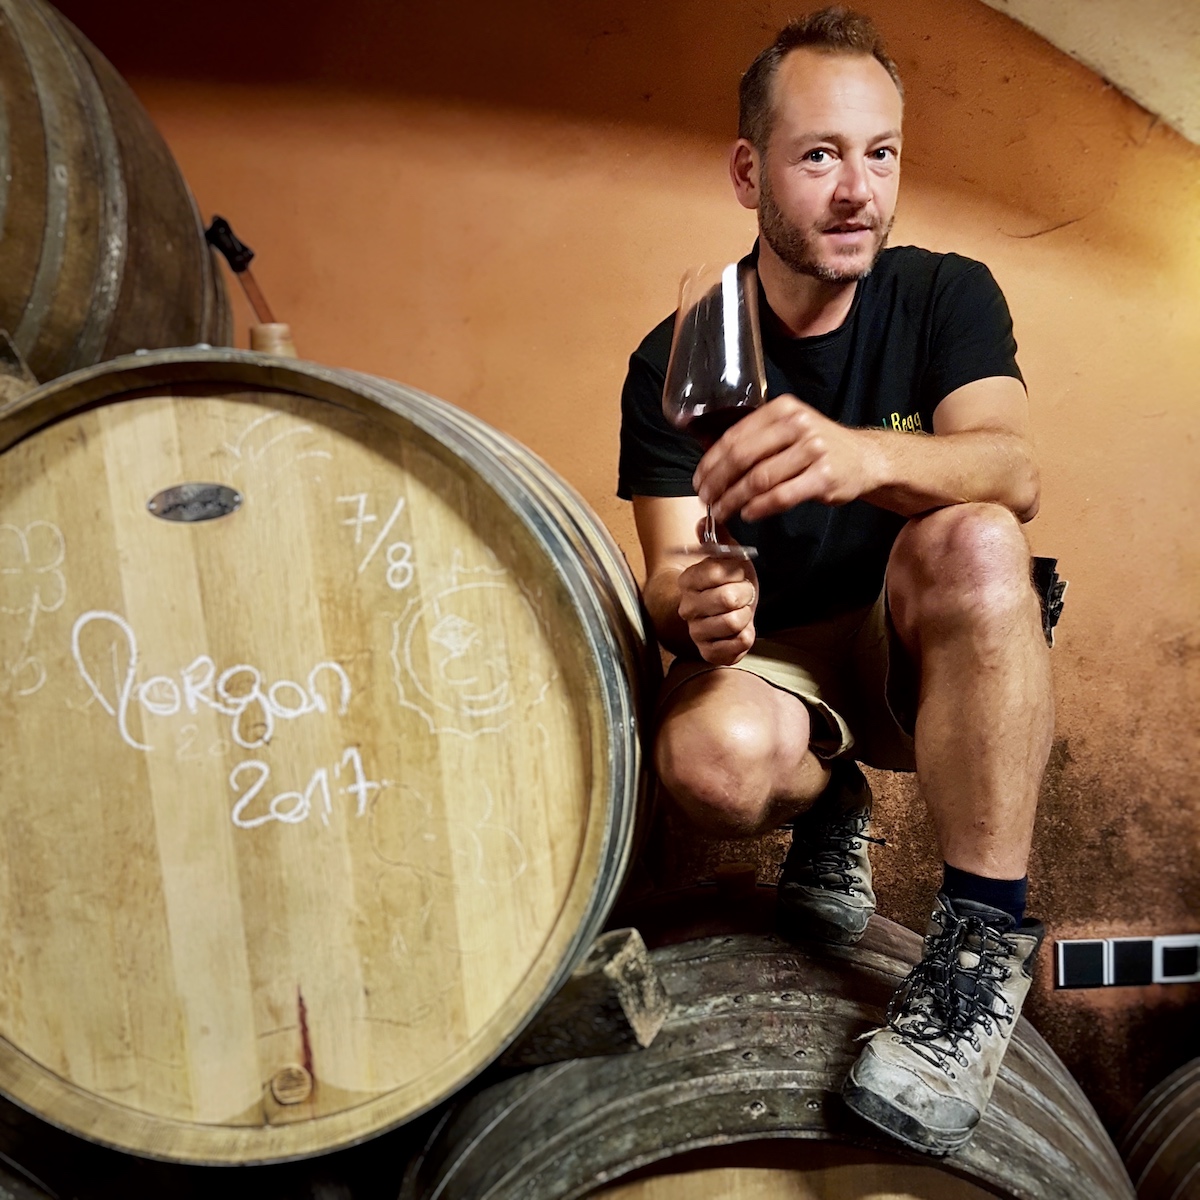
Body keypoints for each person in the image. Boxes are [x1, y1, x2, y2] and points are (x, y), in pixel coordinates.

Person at [617, 7, 1054, 1157]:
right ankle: (831, 796)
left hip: (911, 643)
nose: (860, 190)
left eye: (882, 153)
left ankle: (976, 955)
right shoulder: (682, 351)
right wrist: (694, 603)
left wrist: (861, 457)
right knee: (705, 763)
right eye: (820, 155)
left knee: (981, 537)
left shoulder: (945, 294)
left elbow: (1013, 470)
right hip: (780, 661)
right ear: (748, 173)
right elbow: (668, 570)